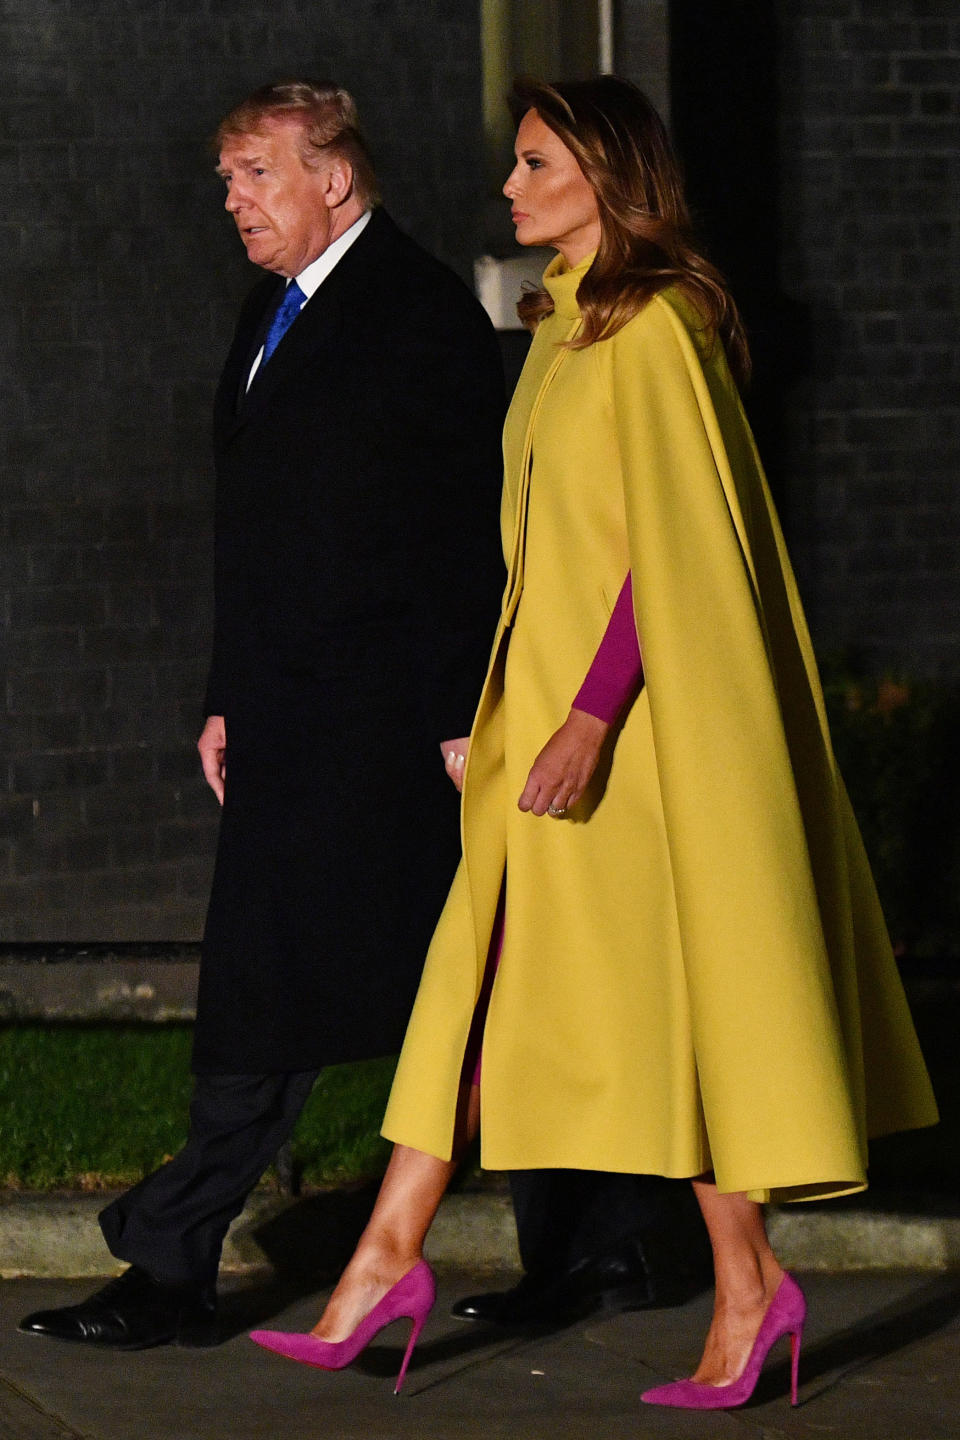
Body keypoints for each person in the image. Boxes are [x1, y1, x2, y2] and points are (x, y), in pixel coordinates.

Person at [250, 74, 938, 1409]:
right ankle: (391, 1260)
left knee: (655, 1009)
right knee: (488, 982)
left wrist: (585, 719)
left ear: (612, 177)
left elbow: (662, 559)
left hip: (623, 742)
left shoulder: (661, 328)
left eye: (536, 164)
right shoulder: (563, 329)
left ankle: (736, 1288)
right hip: (541, 729)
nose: (508, 188)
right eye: (513, 164)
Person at [19, 79, 507, 1351]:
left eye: (253, 176)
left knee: (409, 992)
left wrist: (459, 720)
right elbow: (255, 530)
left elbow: (460, 539)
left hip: (384, 732)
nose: (230, 200)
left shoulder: (422, 317)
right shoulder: (267, 313)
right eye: (226, 179)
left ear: (333, 178)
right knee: (340, 990)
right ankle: (602, 1243)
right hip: (286, 717)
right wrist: (224, 694)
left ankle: (173, 1261)